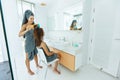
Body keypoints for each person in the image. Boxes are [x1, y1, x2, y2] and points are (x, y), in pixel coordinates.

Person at [18, 10, 42, 75]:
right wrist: (26, 30)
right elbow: (19, 34)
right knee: (27, 58)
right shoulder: (24, 25)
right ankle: (28, 70)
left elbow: (39, 28)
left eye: (33, 18)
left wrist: (37, 27)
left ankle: (37, 65)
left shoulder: (34, 25)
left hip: (33, 43)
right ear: (27, 18)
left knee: (35, 55)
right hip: (28, 44)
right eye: (31, 18)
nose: (32, 20)